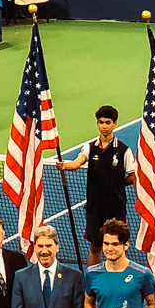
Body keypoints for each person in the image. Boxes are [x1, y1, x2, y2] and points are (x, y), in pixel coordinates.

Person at [56, 106, 136, 265]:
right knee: (95, 246)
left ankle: (117, 275)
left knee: (118, 246)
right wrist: (65, 165)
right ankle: (93, 278)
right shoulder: (90, 147)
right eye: (101, 122)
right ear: (97, 124)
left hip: (115, 207)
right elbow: (77, 162)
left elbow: (132, 177)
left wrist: (115, 184)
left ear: (115, 124)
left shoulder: (124, 151)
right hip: (95, 208)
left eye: (108, 122)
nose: (104, 126)